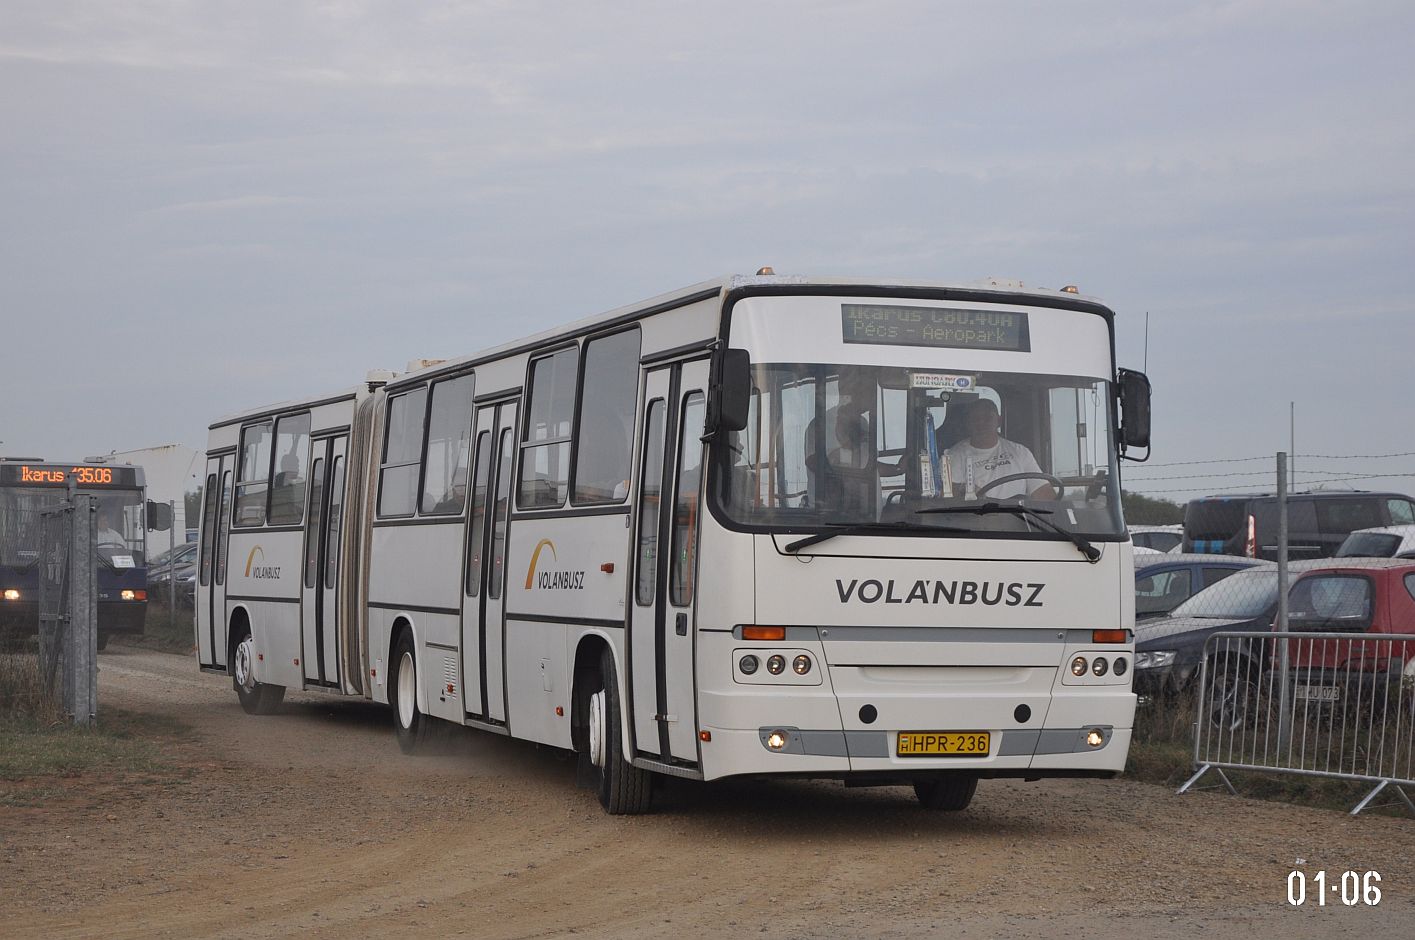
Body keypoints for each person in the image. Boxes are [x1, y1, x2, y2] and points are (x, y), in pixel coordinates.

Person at [942, 399, 1055, 500]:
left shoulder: (1020, 452)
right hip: (976, 520)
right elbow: (948, 496)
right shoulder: (954, 456)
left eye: (988, 418)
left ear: (999, 421)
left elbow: (1043, 492)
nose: (981, 424)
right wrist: (965, 490)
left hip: (1018, 520)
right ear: (968, 423)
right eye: (976, 419)